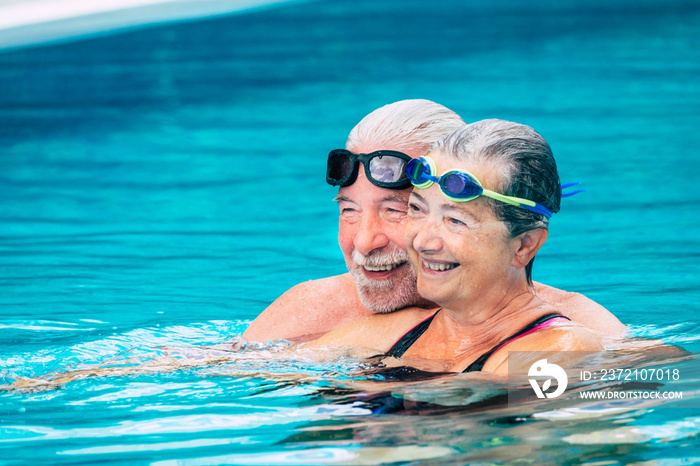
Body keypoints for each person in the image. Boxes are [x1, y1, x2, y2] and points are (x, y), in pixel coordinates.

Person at [243, 101, 625, 343]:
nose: (364, 242)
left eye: (398, 209)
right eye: (349, 211)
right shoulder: (315, 311)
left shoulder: (575, 331)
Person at [308, 119, 605, 374]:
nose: (423, 241)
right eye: (416, 209)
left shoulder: (563, 351)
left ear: (524, 246)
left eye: (455, 221)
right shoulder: (382, 333)